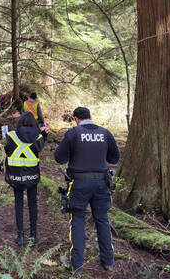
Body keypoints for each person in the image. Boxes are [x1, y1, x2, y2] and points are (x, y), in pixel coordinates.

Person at [54, 107, 120, 274]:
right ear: (90, 117)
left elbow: (59, 158)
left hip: (79, 184)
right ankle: (108, 261)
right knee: (102, 220)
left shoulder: (73, 133)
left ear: (76, 118)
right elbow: (114, 158)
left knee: (77, 220)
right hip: (102, 184)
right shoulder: (105, 133)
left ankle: (76, 264)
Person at [4, 111, 48, 247]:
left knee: (18, 204)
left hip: (15, 175)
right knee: (32, 204)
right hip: (32, 175)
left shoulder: (11, 135)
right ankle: (33, 236)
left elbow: (7, 150)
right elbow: (39, 148)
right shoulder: (38, 136)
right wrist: (44, 135)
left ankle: (20, 235)